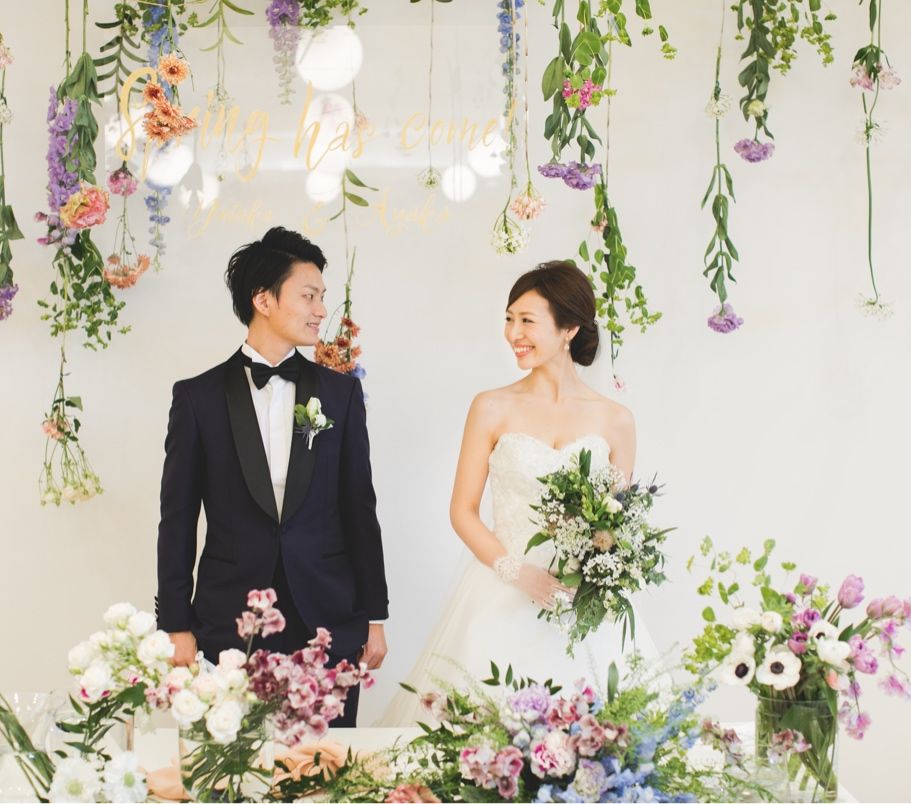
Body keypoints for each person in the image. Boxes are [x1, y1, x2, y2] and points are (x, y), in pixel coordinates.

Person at [380, 260, 657, 725]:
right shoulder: (491, 407)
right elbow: (462, 511)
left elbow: (617, 523)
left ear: (569, 328)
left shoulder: (616, 420)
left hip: (582, 605)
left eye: (527, 321)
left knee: (601, 737)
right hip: (500, 591)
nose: (513, 334)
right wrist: (518, 573)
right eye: (509, 319)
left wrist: (598, 574)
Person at [155, 226, 389, 728]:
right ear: (263, 300)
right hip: (228, 623)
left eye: (322, 297)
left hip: (328, 619)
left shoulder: (341, 395)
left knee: (328, 764)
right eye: (309, 296)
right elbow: (177, 520)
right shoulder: (197, 399)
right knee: (232, 765)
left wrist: (374, 616)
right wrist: (175, 626)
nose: (321, 310)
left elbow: (359, 509)